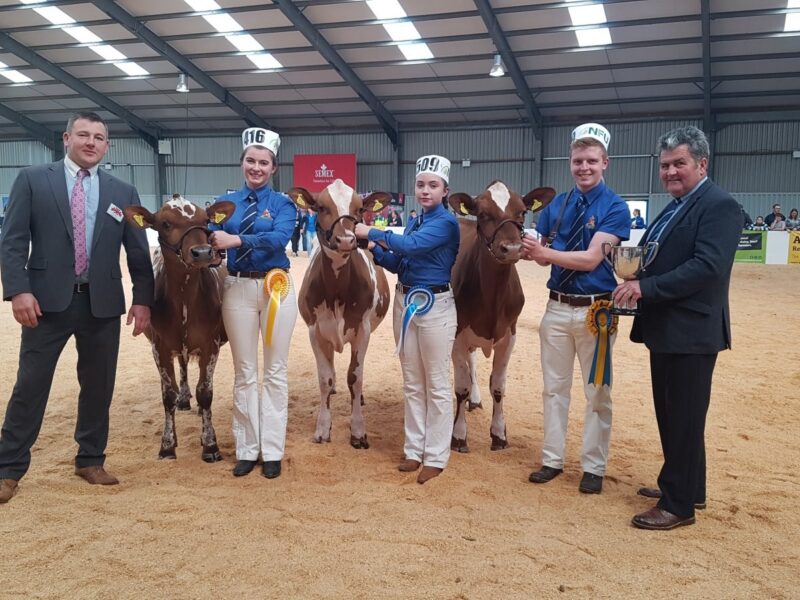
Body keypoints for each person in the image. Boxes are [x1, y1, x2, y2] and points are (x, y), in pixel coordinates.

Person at [0, 112, 154, 504]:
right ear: (66, 137)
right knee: (30, 386)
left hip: (101, 304)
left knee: (99, 386)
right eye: (83, 135)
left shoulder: (123, 191)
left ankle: (90, 458)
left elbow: (138, 253)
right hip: (45, 304)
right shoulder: (33, 180)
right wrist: (18, 290)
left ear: (106, 145)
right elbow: (13, 241)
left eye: (99, 137)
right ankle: (8, 469)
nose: (91, 142)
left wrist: (142, 300)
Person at [612, 126, 741, 530]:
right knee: (675, 415)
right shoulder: (675, 206)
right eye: (665, 165)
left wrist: (644, 287)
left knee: (683, 417)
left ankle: (678, 505)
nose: (669, 172)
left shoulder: (719, 205)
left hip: (692, 331)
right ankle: (690, 485)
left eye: (679, 164)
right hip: (669, 327)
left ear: (702, 164)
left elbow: (707, 267)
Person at [522, 123, 630, 495]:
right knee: (554, 389)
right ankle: (552, 458)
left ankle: (593, 466)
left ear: (605, 163)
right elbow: (540, 255)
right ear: (570, 162)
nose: (584, 167)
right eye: (578, 160)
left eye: (591, 161)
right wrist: (531, 245)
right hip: (555, 308)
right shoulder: (558, 204)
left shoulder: (615, 208)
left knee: (597, 390)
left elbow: (589, 259)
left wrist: (542, 253)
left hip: (595, 312)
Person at [354, 155, 459, 484]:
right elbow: (401, 262)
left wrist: (371, 229)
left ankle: (437, 454)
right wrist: (374, 248)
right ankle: (414, 449)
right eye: (420, 185)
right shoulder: (415, 220)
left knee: (438, 384)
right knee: (413, 381)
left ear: (445, 190)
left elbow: (411, 247)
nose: (425, 191)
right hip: (406, 300)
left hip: (436, 304)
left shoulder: (445, 223)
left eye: (433, 185)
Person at [210, 128, 297, 480]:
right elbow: (210, 239)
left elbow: (279, 238)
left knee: (275, 370)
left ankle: (273, 450)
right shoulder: (223, 203)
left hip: (276, 287)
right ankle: (247, 449)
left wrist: (235, 238)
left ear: (274, 168)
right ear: (242, 162)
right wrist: (215, 248)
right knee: (244, 372)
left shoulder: (283, 205)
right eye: (251, 160)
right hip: (237, 287)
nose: (256, 168)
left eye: (264, 163)